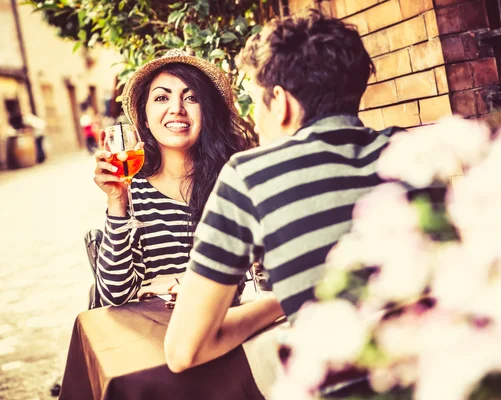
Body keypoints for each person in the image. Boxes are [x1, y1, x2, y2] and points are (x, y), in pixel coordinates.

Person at [164, 10, 398, 372]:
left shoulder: (251, 175)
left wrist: (279, 301)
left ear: (282, 103)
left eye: (256, 102)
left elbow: (184, 352)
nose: (255, 120)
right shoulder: (415, 152)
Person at [93, 49, 255, 306]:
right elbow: (115, 295)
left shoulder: (236, 182)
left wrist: (174, 282)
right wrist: (116, 201)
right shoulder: (135, 193)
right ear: (144, 118)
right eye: (161, 98)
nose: (176, 109)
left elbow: (252, 274)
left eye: (191, 98)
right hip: (153, 336)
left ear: (208, 113)